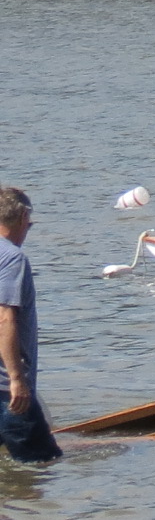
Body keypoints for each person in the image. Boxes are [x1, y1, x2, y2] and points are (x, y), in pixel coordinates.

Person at [0, 187, 56, 464]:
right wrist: (17, 379)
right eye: (30, 224)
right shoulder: (11, 258)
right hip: (7, 394)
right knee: (42, 467)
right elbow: (5, 318)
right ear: (22, 216)